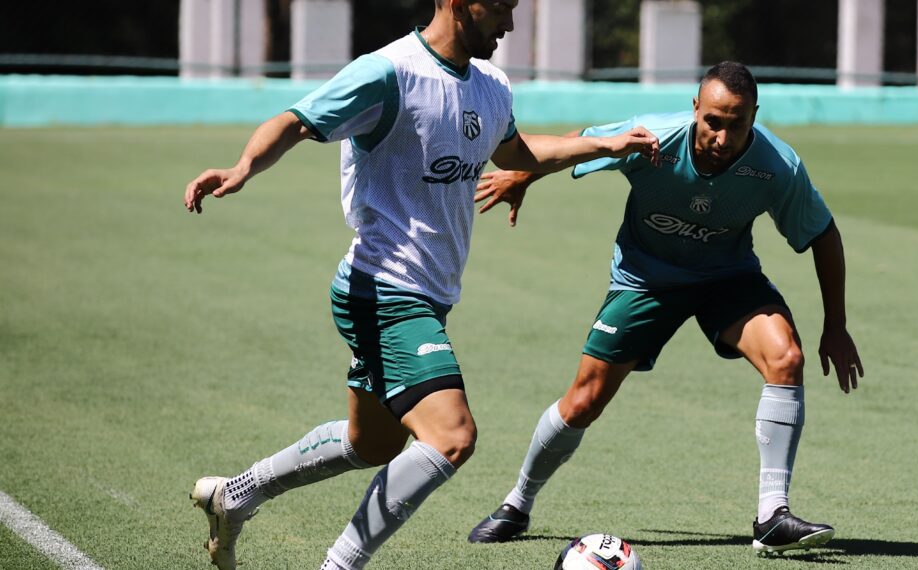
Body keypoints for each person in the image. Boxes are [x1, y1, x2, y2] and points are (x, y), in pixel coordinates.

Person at [182, 1, 660, 568]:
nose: (510, 22)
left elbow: (516, 151)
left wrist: (603, 146)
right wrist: (243, 167)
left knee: (373, 445)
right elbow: (295, 120)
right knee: (452, 435)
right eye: (502, 7)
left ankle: (235, 495)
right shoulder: (388, 73)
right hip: (383, 290)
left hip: (424, 296)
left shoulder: (490, 84)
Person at [467, 61, 863, 556]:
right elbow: (582, 141)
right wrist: (522, 176)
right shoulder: (654, 138)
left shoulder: (776, 166)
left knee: (786, 358)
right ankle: (516, 504)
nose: (721, 136)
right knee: (584, 401)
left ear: (753, 118)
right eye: (712, 121)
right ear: (695, 109)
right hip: (645, 280)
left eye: (735, 124)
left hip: (727, 278)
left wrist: (837, 326)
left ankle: (772, 515)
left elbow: (823, 234)